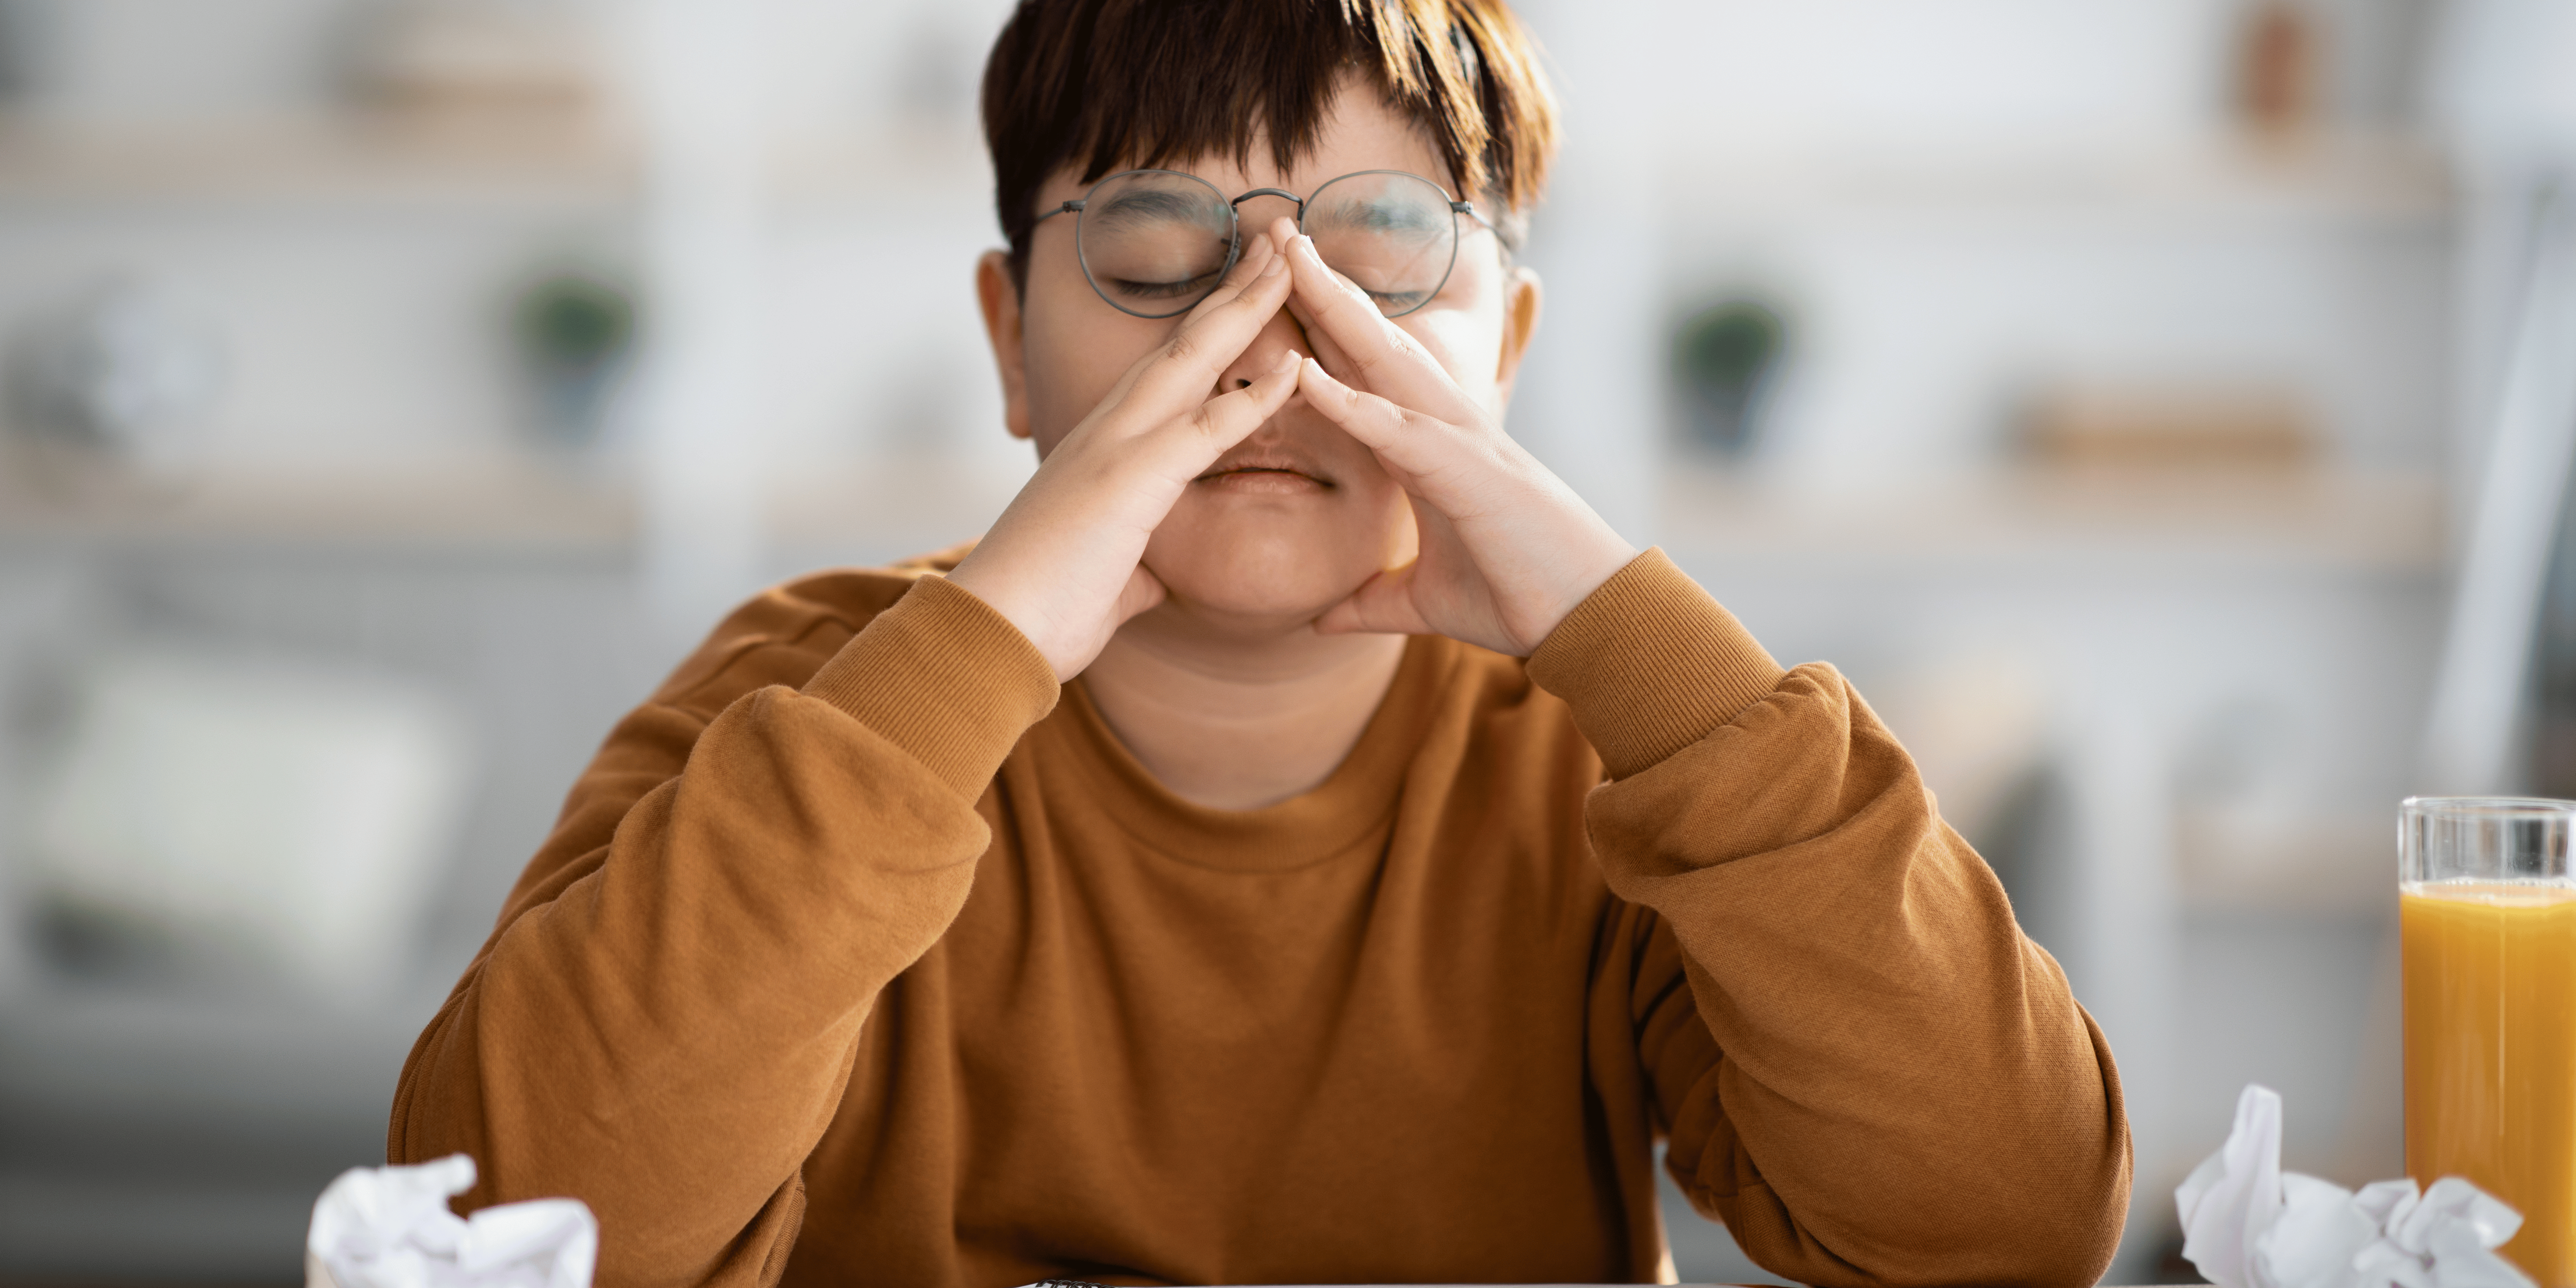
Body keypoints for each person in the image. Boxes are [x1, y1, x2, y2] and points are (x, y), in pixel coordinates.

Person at [390, 1, 2132, 1285]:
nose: (1278, 345)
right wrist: (980, 644)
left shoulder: (1614, 767)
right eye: (1162, 257)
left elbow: (2014, 1226)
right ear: (1010, 347)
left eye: (1383, 259)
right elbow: (493, 1226)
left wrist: (1628, 636)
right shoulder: (812, 701)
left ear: (1504, 352)